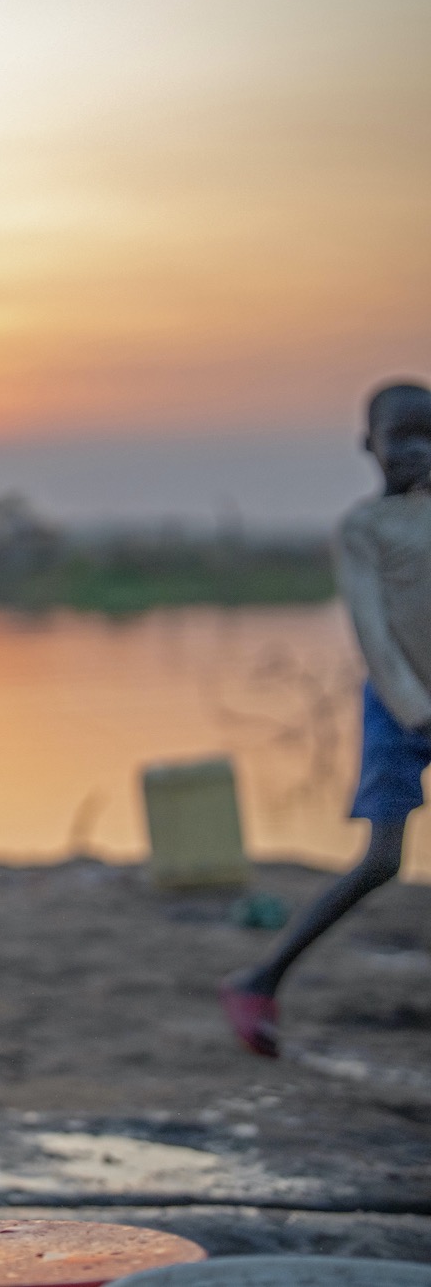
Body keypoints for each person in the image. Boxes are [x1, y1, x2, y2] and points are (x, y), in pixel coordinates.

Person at [222, 379, 431, 1058]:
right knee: (380, 860)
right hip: (401, 710)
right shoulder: (363, 529)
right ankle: (260, 978)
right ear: (368, 445)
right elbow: (374, 632)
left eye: (430, 435)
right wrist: (417, 711)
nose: (417, 450)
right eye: (402, 436)